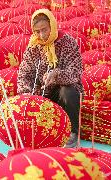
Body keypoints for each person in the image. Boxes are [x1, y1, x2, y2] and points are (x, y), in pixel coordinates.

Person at [17, 9, 84, 148]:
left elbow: (75, 71)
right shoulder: (33, 47)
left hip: (63, 92)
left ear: (52, 25)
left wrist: (56, 75)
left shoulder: (67, 42)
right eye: (37, 31)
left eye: (44, 29)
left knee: (68, 92)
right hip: (42, 93)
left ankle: (73, 131)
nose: (41, 35)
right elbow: (24, 74)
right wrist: (27, 92)